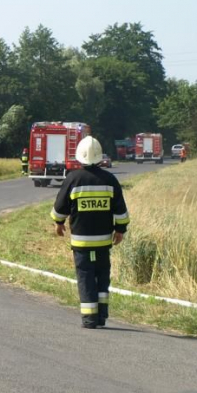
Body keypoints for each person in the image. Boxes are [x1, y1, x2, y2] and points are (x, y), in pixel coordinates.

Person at [50, 136, 129, 329]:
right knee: (102, 276)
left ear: (79, 157)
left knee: (85, 278)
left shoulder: (73, 179)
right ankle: (101, 316)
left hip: (81, 244)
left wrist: (58, 223)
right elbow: (120, 211)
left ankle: (89, 318)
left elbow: (60, 208)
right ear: (100, 157)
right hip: (103, 243)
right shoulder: (110, 180)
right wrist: (120, 230)